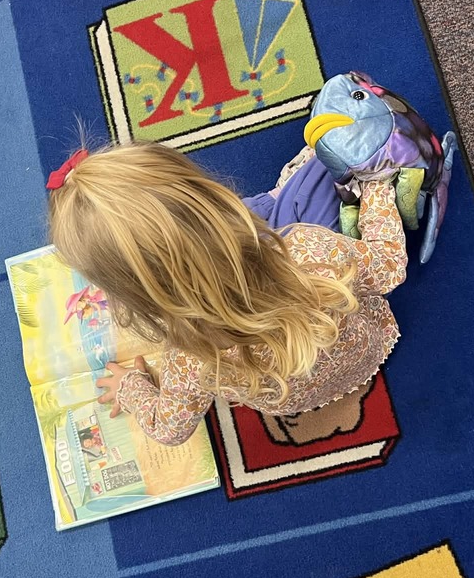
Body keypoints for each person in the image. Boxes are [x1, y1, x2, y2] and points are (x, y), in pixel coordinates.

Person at [47, 141, 406, 446]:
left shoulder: (189, 358)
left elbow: (168, 429)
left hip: (292, 398)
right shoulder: (310, 250)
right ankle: (272, 196)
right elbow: (389, 265)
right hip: (366, 348)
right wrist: (377, 185)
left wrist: (130, 387)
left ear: (131, 298)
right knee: (320, 165)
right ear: (215, 196)